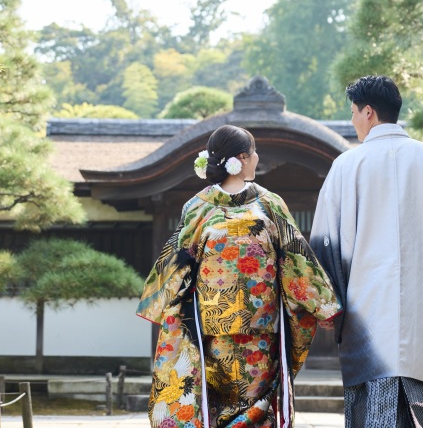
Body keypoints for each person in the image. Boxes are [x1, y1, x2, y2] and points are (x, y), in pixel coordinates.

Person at [137, 124, 342, 428]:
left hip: (260, 332)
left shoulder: (260, 204)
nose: (257, 158)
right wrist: (324, 306)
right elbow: (294, 258)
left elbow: (294, 256)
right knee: (214, 404)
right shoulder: (204, 206)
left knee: (257, 405)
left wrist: (321, 305)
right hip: (214, 334)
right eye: (254, 152)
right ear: (243, 158)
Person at [310, 76, 423, 427]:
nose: (353, 121)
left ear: (369, 112)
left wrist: (333, 310)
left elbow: (324, 245)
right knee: (422, 409)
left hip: (365, 317)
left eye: (354, 113)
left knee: (369, 408)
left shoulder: (347, 166)